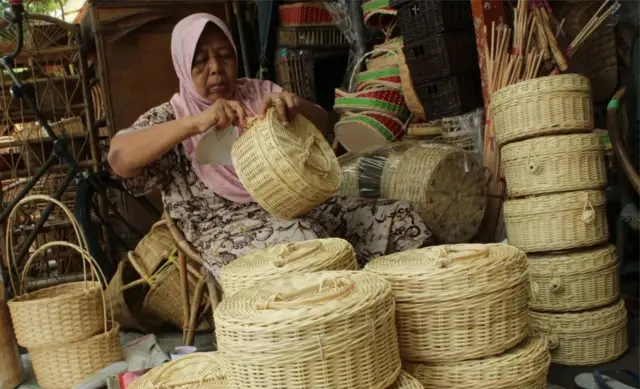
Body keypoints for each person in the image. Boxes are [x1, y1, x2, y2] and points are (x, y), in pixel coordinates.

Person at [108, 13, 432, 278]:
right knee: (306, 242)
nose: (216, 69)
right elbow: (119, 158)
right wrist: (196, 123)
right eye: (200, 61)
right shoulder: (173, 115)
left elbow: (323, 125)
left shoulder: (257, 92)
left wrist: (296, 107)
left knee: (399, 218)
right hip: (225, 228)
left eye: (224, 56)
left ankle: (404, 314)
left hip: (298, 206)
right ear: (182, 65)